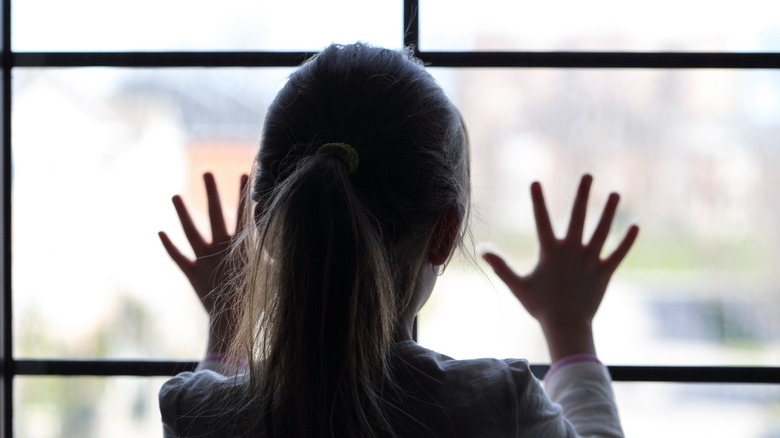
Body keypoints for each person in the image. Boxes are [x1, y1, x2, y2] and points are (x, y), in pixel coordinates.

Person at [158, 42, 639, 438]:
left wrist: (227, 321)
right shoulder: (498, 406)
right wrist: (570, 326)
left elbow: (217, 411)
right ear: (445, 233)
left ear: (264, 225)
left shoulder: (192, 413)